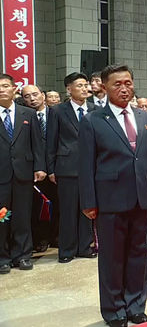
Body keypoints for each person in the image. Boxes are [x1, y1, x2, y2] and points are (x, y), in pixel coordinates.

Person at [78, 65, 147, 326]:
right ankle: (114, 309)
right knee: (112, 257)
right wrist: (89, 201)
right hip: (110, 200)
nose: (124, 88)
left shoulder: (145, 117)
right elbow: (86, 165)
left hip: (141, 196)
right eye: (117, 84)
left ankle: (136, 304)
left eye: (128, 82)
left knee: (139, 254)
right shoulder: (93, 120)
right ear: (104, 87)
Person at [47, 72, 97, 263]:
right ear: (69, 89)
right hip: (67, 167)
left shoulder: (94, 109)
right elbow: (51, 141)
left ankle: (85, 247)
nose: (85, 88)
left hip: (91, 167)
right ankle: (67, 250)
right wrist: (50, 168)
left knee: (88, 209)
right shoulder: (58, 110)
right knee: (68, 210)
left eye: (86, 85)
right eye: (80, 85)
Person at [0, 74, 46, 275]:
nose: (2, 90)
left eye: (5, 86)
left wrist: (40, 166)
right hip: (1, 175)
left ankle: (23, 255)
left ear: (14, 89)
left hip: (24, 174)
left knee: (22, 216)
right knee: (2, 217)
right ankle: (3, 257)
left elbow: (37, 144)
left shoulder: (27, 114)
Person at [21, 85, 60, 254]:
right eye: (27, 96)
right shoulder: (22, 116)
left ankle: (56, 236)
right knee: (35, 206)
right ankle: (40, 238)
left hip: (56, 168)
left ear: (43, 96)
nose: (32, 99)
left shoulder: (56, 114)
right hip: (32, 170)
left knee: (58, 204)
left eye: (35, 94)